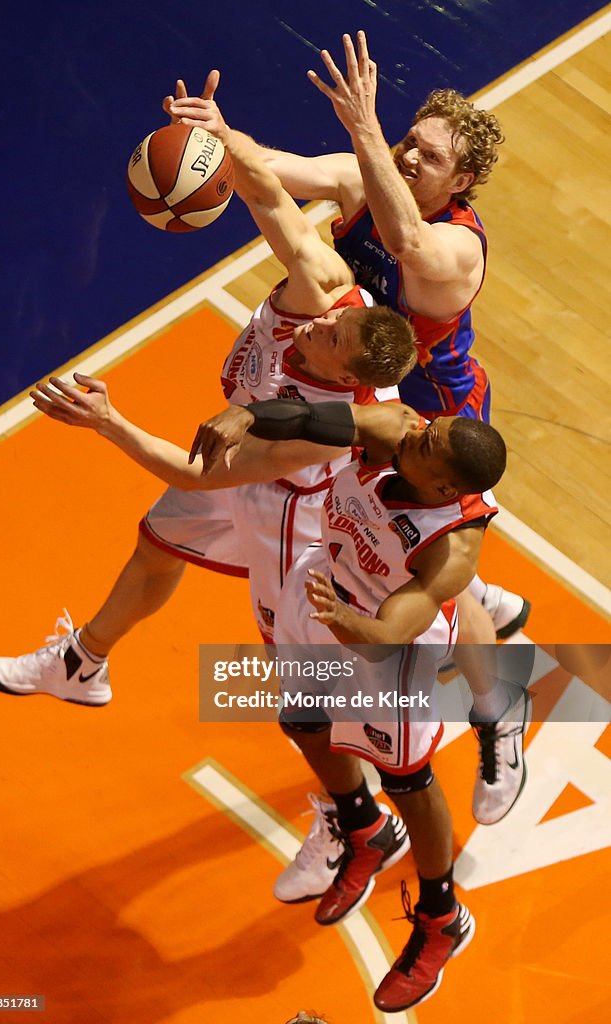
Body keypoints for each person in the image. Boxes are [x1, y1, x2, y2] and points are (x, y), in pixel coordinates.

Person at [0, 93, 416, 894]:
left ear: (347, 377)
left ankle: (360, 820)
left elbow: (192, 471)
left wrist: (106, 421)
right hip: (240, 463)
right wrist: (220, 133)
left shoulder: (313, 424)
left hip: (291, 513)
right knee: (155, 544)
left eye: (325, 343)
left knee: (302, 689)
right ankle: (83, 664)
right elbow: (269, 197)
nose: (310, 331)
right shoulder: (324, 284)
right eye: (320, 324)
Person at [163, 35, 530, 827]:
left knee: (435, 581)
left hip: (434, 418)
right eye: (405, 143)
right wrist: (216, 137)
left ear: (461, 183)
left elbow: (404, 243)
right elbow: (276, 170)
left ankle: (498, 711)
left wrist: (367, 130)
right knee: (329, 525)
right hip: (359, 392)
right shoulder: (362, 172)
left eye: (425, 159)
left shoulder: (458, 247)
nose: (404, 161)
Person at [192, 393, 516, 1012]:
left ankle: (442, 916)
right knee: (303, 720)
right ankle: (363, 827)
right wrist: (247, 416)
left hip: (382, 646)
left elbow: (393, 629)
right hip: (324, 586)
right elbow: (312, 417)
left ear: (444, 484)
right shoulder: (399, 431)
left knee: (408, 778)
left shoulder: (450, 550)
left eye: (429, 442)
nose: (418, 430)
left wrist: (340, 619)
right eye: (430, 426)